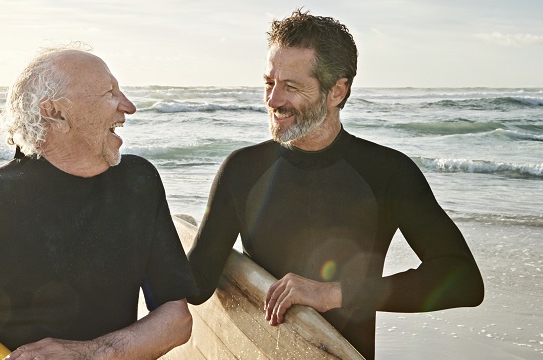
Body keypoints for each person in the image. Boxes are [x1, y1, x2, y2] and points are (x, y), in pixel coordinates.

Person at [186, 9, 484, 359]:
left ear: (337, 91)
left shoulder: (387, 173)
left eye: (291, 86)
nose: (273, 100)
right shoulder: (242, 170)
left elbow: (463, 280)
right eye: (270, 82)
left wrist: (335, 293)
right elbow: (195, 286)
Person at [0, 45, 196, 360]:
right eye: (110, 93)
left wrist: (87, 354)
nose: (128, 106)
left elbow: (176, 319)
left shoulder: (138, 182)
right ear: (54, 112)